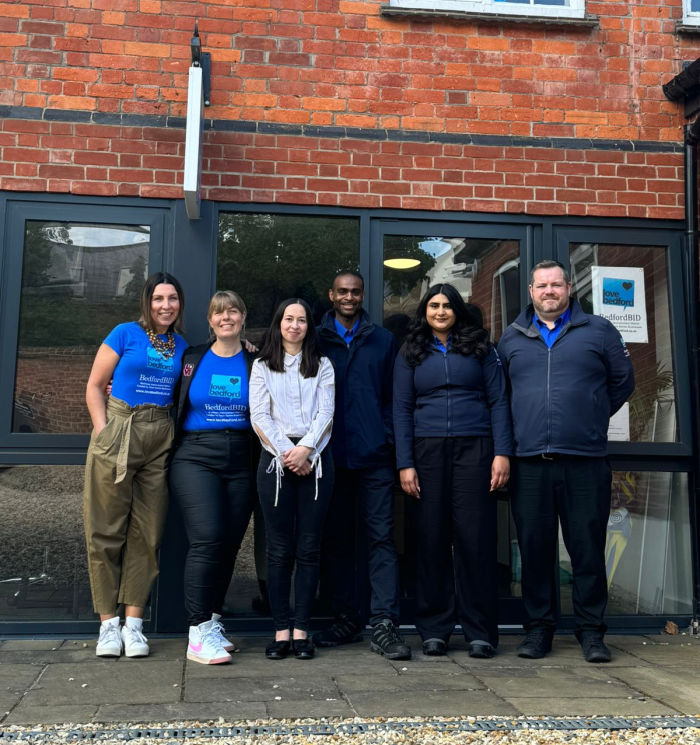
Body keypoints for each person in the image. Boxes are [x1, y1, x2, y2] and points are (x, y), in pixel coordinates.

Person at [497, 260, 635, 663]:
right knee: (536, 551)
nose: (549, 292)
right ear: (531, 291)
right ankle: (540, 630)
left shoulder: (599, 331)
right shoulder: (511, 339)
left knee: (587, 549)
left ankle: (591, 633)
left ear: (569, 288)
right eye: (542, 286)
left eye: (556, 285)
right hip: (530, 463)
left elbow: (622, 380)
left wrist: (591, 416)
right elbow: (500, 397)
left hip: (585, 462)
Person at [393, 284, 512, 658]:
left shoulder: (481, 347)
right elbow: (400, 408)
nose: (440, 311)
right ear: (424, 311)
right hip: (426, 451)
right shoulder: (410, 350)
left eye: (447, 305)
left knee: (474, 539)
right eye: (434, 305)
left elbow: (498, 401)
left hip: (475, 449)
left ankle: (480, 631)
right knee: (429, 538)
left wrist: (502, 453)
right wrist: (405, 462)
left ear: (457, 310)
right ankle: (434, 629)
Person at [84, 272, 188, 658]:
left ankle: (134, 624)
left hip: (159, 433)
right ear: (147, 302)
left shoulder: (181, 345)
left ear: (180, 303)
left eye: (173, 298)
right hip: (120, 428)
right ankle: (107, 625)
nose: (166, 305)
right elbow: (95, 385)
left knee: (148, 533)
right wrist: (103, 431)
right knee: (105, 531)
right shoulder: (124, 333)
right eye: (159, 298)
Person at [313, 271, 411, 661]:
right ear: (331, 295)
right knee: (336, 542)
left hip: (374, 458)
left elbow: (394, 398)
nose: (349, 297)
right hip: (330, 457)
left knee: (381, 540)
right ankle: (346, 617)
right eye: (342, 292)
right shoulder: (315, 340)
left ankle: (384, 622)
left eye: (355, 292)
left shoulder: (383, 340)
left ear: (362, 295)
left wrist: (386, 439)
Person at [169, 290, 257, 665]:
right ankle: (197, 630)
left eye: (233, 311)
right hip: (195, 456)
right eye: (219, 313)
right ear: (210, 320)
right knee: (206, 538)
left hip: (243, 456)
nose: (226, 318)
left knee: (229, 545)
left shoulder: (257, 359)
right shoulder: (191, 358)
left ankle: (215, 621)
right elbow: (157, 389)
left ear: (242, 317)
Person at [250, 298, 335, 661]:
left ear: (308, 327)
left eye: (301, 320)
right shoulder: (261, 366)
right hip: (275, 464)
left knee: (309, 549)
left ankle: (302, 629)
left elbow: (326, 412)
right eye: (289, 319)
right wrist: (288, 453)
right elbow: (259, 415)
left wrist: (307, 451)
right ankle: (280, 629)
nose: (295, 326)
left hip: (315, 462)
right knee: (279, 549)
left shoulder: (324, 365)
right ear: (278, 323)